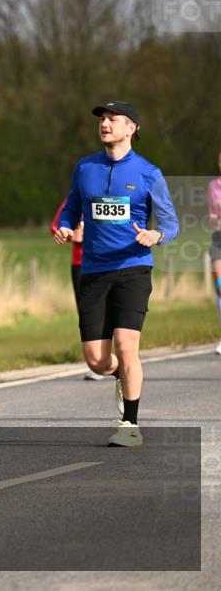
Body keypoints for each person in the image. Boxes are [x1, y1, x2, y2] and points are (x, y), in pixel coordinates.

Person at [55, 101, 179, 447]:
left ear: (131, 128)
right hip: (94, 271)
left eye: (113, 119)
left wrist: (156, 235)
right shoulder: (85, 168)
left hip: (133, 268)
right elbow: (71, 209)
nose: (105, 124)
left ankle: (130, 425)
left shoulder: (148, 173)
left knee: (126, 346)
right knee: (97, 361)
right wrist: (65, 227)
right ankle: (120, 376)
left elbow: (171, 223)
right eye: (102, 119)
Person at [50, 198, 104, 380]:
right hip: (80, 264)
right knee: (86, 312)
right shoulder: (72, 199)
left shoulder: (108, 196)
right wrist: (71, 235)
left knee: (107, 310)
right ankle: (96, 362)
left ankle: (111, 356)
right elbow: (55, 227)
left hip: (104, 262)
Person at [208, 152, 221, 355]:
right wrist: (213, 216)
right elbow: (211, 215)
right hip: (218, 237)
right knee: (220, 287)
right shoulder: (213, 186)